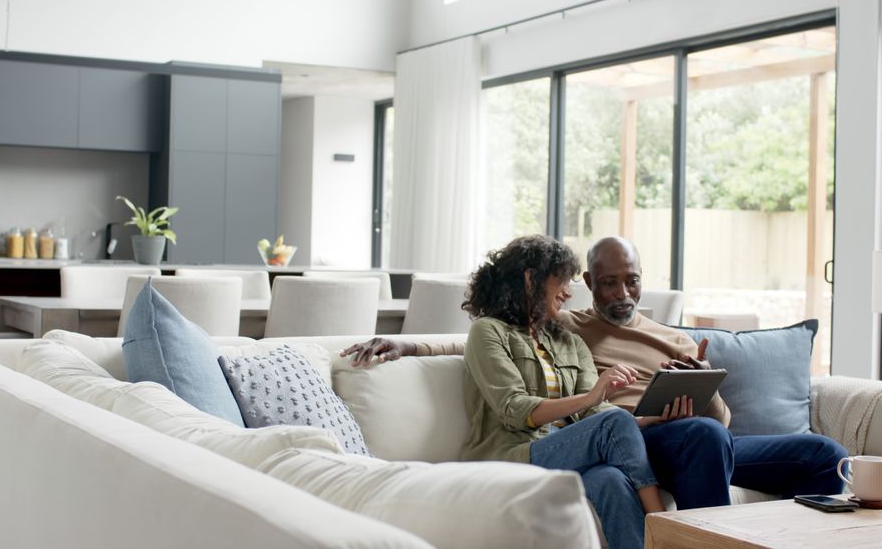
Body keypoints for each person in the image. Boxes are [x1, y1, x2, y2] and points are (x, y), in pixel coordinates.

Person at [343, 236, 847, 511]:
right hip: (622, 438)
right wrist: (409, 342)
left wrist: (702, 386)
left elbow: (723, 419)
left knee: (824, 455)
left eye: (631, 282)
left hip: (687, 436)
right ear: (588, 284)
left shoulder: (676, 338)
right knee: (703, 436)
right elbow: (495, 338)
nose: (622, 294)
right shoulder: (569, 326)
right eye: (609, 284)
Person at [447, 235, 679, 549]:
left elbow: (593, 413)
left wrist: (646, 420)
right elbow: (513, 409)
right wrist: (592, 396)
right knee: (614, 424)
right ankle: (667, 530)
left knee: (611, 480)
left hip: (565, 455)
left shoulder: (570, 342)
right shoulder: (488, 331)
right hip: (512, 456)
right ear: (531, 280)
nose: (569, 292)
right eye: (563, 282)